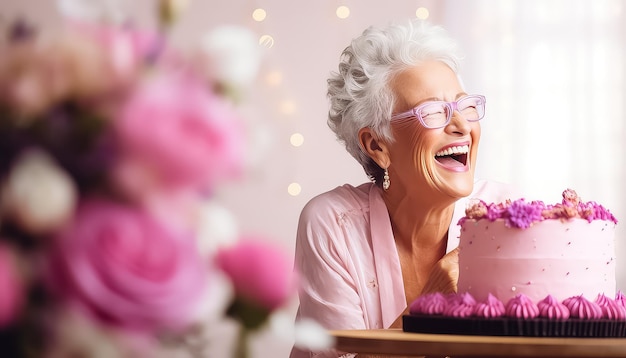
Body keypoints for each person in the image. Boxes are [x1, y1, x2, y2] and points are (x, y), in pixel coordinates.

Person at [290, 19, 518, 358]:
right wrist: (429, 304)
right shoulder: (333, 224)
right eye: (433, 112)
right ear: (378, 146)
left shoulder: (505, 213)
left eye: (464, 106)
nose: (461, 126)